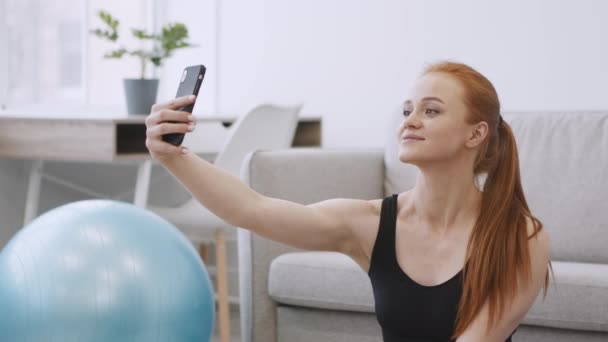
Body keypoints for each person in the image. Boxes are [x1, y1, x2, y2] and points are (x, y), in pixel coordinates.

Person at [144, 61, 553, 342]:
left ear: (476, 134)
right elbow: (252, 209)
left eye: (431, 111)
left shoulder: (520, 236)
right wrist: (172, 157)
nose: (409, 120)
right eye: (408, 109)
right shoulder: (372, 224)